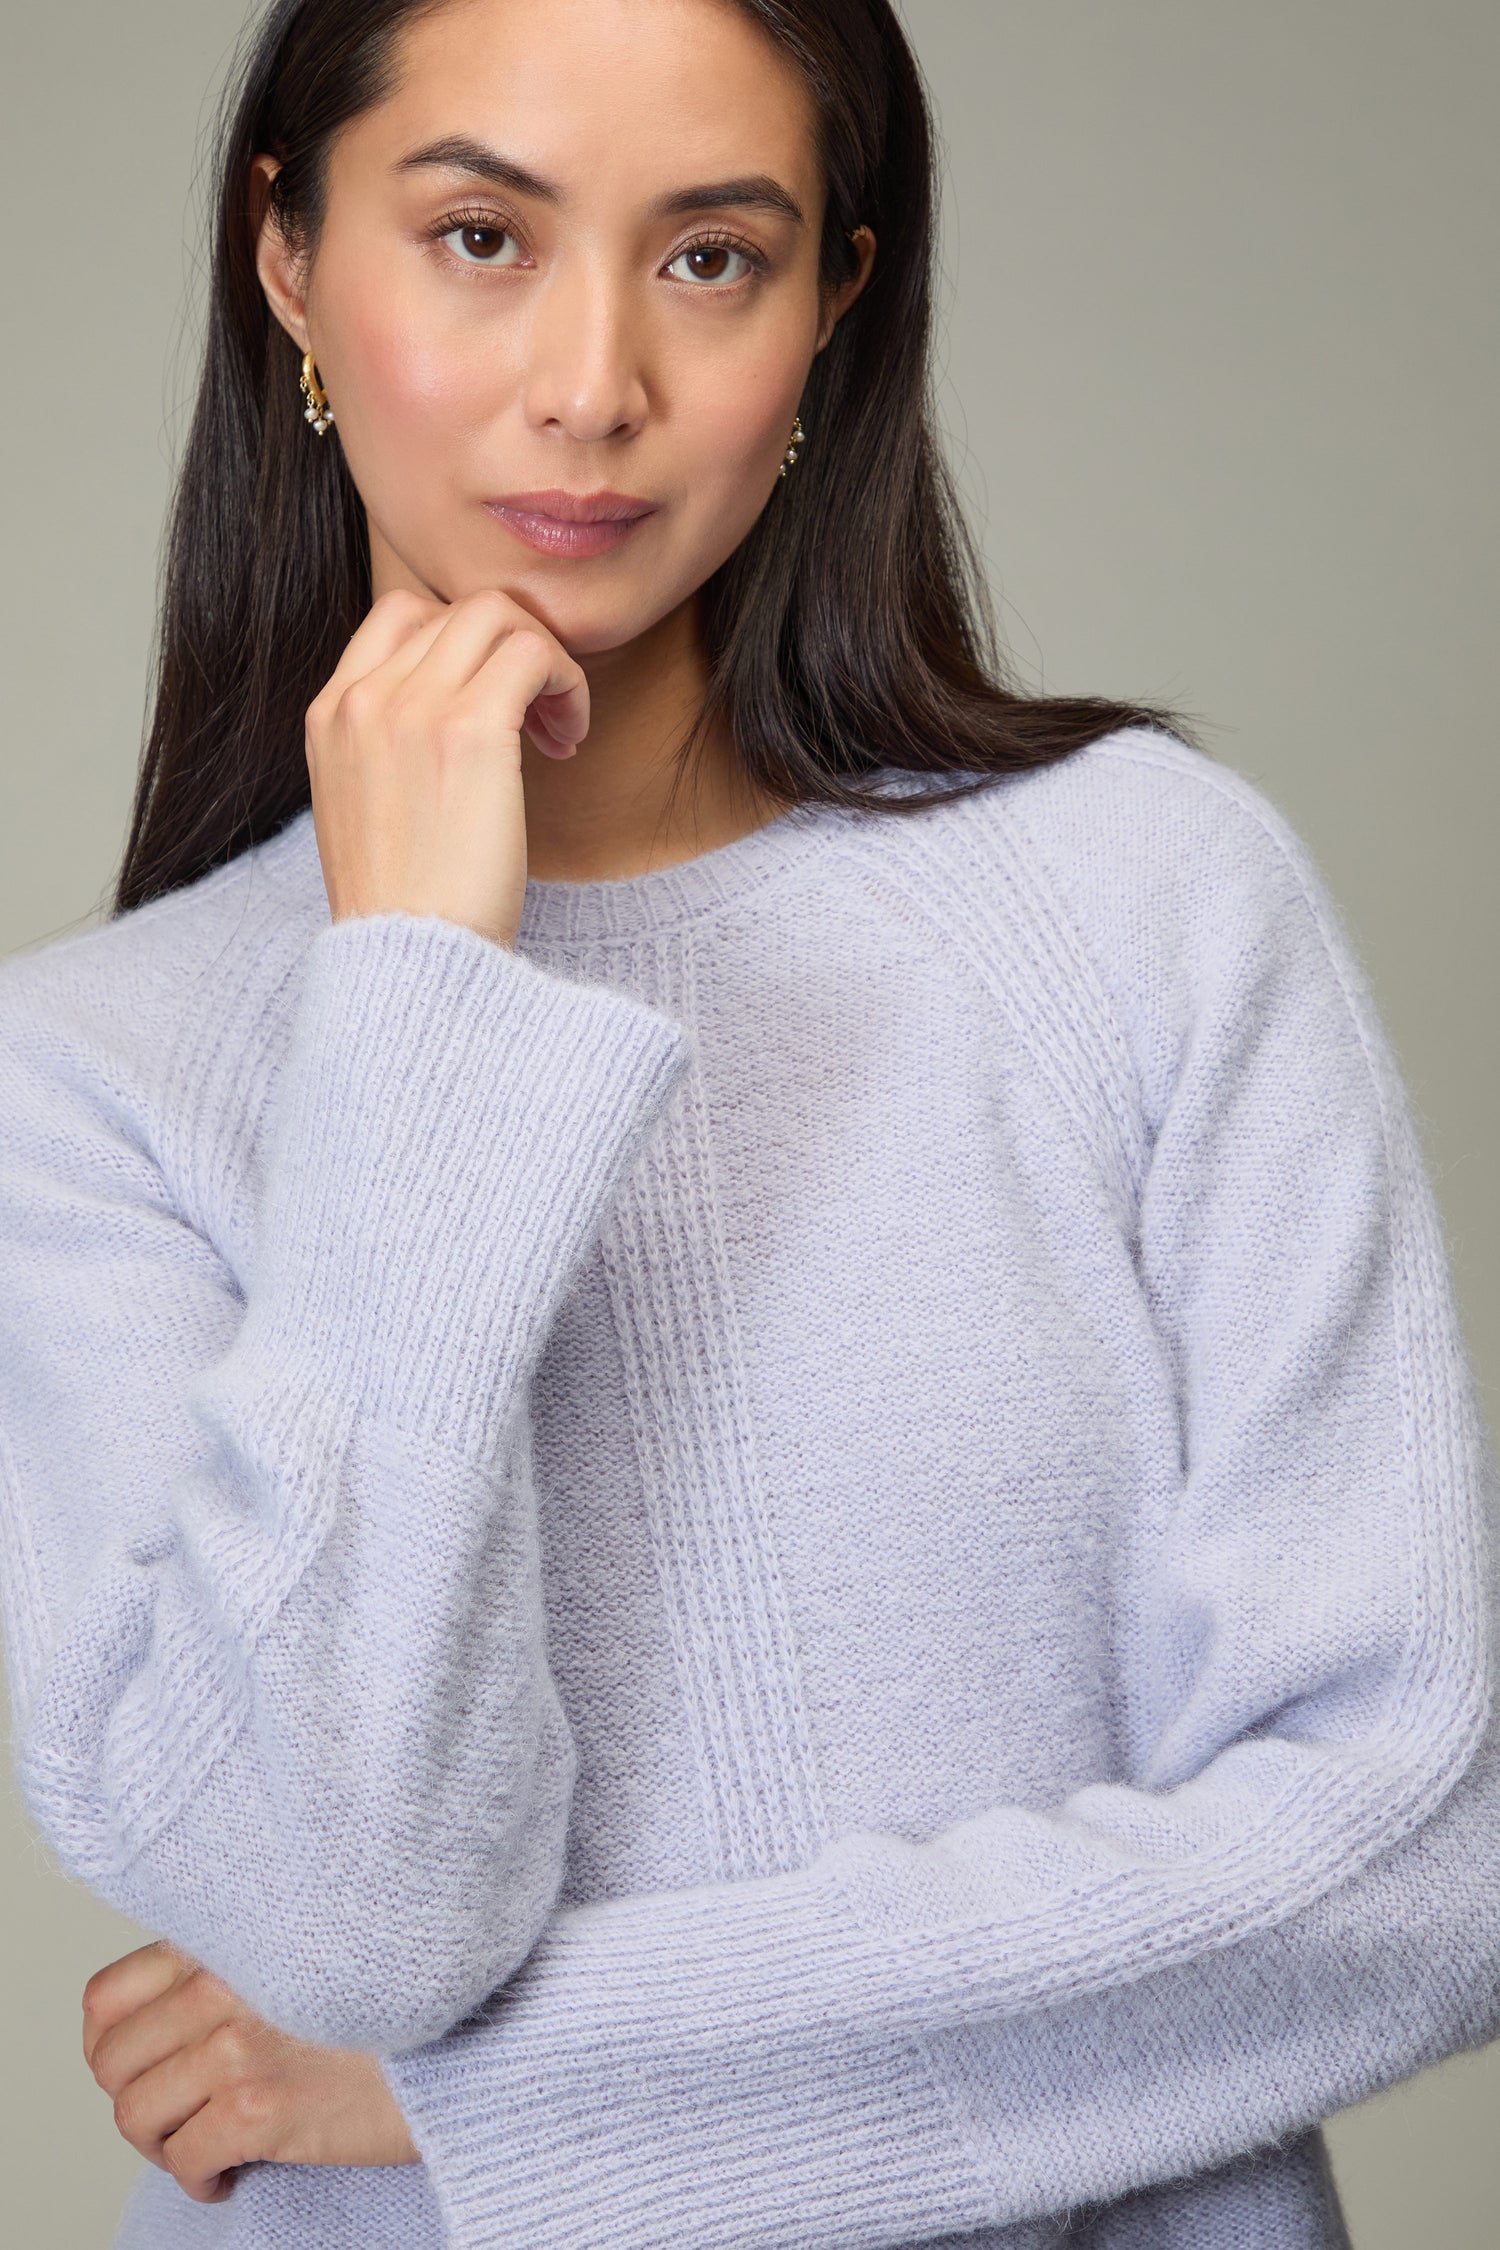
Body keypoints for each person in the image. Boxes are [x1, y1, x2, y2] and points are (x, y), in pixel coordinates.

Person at [0, 0, 1495, 2244]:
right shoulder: (96, 1077)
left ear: (834, 312)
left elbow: (1422, 1855)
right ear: (290, 263)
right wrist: (412, 995)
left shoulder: (1148, 897)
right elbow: (352, 1919)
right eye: (482, 234)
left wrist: (501, 2088)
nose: (594, 380)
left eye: (713, 259)